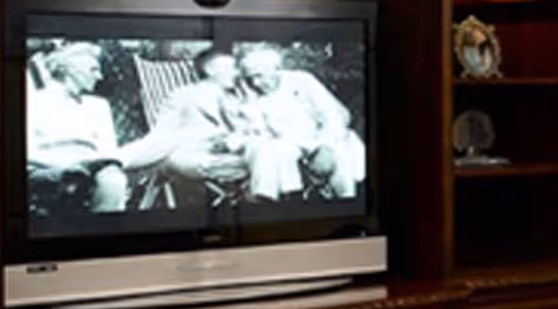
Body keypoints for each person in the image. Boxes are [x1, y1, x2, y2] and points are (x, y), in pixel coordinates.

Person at [234, 47, 367, 200]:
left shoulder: (302, 80)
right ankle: (279, 200)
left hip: (327, 138)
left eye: (259, 76)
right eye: (250, 78)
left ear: (275, 69)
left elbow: (334, 116)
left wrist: (325, 146)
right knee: (269, 153)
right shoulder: (253, 95)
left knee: (342, 165)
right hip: (292, 145)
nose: (256, 83)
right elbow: (255, 130)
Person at [120, 47, 254, 196]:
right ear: (210, 70)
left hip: (236, 154)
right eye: (231, 68)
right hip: (196, 155)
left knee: (268, 157)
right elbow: (162, 133)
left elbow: (249, 130)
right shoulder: (184, 95)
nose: (237, 74)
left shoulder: (239, 99)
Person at [26, 42, 129, 212]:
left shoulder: (99, 106)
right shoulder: (35, 101)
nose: (100, 76)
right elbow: (25, 151)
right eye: (93, 69)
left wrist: (89, 164)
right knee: (67, 181)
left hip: (90, 167)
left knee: (113, 181)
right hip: (46, 166)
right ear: (70, 69)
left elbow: (109, 150)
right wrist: (64, 166)